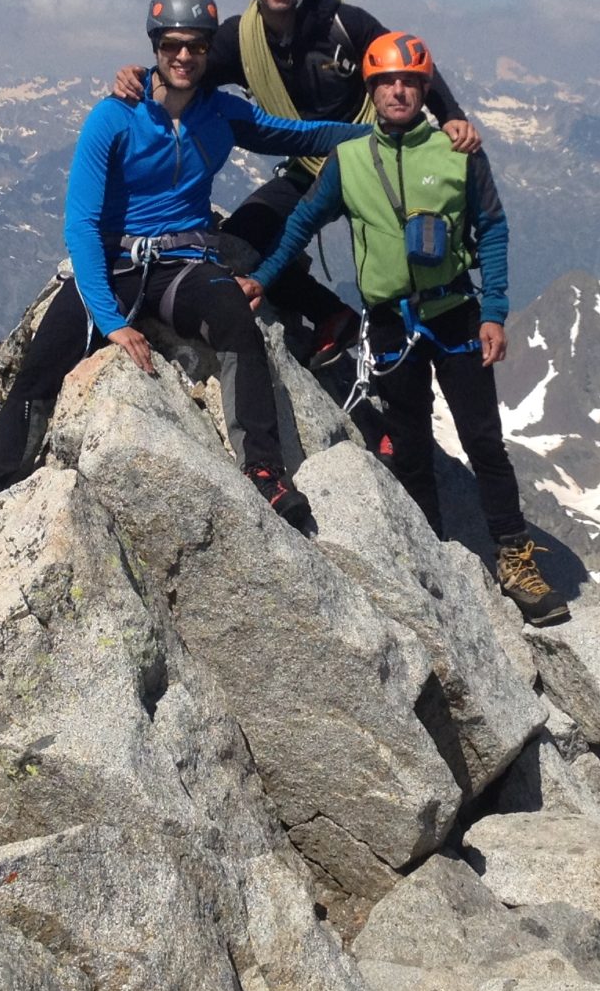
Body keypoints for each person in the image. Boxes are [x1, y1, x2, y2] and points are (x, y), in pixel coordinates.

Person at [0, 0, 370, 531]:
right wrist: (110, 322)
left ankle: (266, 474)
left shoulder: (222, 113)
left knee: (238, 328)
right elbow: (81, 225)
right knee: (40, 368)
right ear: (155, 47)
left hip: (182, 264)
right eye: (173, 45)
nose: (184, 56)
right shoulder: (112, 117)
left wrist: (390, 131)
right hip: (115, 265)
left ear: (208, 50)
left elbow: (301, 135)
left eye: (197, 46)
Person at [242, 31, 569, 626]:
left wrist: (494, 310)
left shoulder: (458, 151)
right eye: (387, 82)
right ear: (371, 91)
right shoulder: (349, 161)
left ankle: (516, 560)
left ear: (424, 89)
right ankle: (436, 557)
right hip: (392, 325)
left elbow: (492, 229)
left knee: (484, 442)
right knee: (411, 446)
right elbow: (302, 221)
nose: (399, 90)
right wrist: (264, 277)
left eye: (410, 81)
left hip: (455, 315)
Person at [110, 0, 481, 373]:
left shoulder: (343, 23)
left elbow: (406, 61)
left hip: (374, 160)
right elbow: (186, 71)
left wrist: (452, 118)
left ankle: (421, 353)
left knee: (403, 270)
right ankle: (331, 314)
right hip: (311, 166)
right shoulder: (238, 40)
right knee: (239, 245)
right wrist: (139, 80)